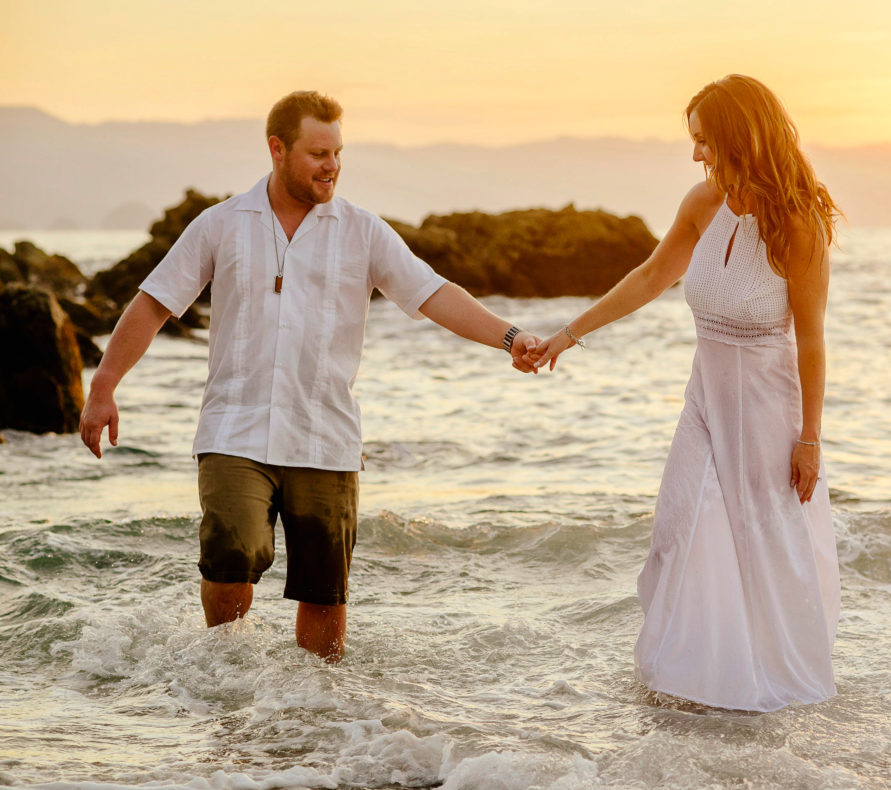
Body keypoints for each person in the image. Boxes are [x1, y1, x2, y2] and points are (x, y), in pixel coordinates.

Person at [79, 91, 540, 662]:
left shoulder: (362, 231)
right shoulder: (220, 224)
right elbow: (153, 304)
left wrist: (509, 337)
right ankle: (225, 684)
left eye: (338, 152)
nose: (332, 165)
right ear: (277, 149)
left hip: (325, 438)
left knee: (323, 592)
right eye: (318, 152)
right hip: (233, 431)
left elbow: (434, 293)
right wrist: (103, 388)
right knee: (230, 556)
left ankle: (317, 722)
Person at [530, 75, 841, 711]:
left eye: (703, 140)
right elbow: (650, 278)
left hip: (766, 409)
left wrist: (810, 438)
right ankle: (688, 677)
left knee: (760, 541)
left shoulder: (798, 225)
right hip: (704, 402)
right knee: (683, 526)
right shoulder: (702, 204)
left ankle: (762, 682)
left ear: (738, 137)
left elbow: (811, 341)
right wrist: (567, 335)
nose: (696, 153)